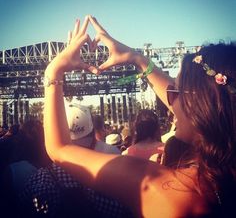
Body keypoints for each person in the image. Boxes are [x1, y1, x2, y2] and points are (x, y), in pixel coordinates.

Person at [43, 15, 236, 217]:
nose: (169, 101)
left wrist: (54, 71)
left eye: (175, 92)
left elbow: (60, 148)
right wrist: (139, 60)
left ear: (201, 107)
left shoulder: (163, 189)